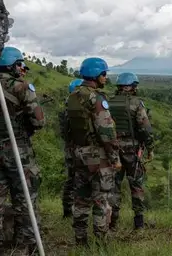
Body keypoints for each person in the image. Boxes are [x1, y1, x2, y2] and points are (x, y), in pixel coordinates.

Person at [0, 46, 45, 256]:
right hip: (19, 151)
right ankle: (25, 244)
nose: (22, 68)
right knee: (25, 198)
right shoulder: (22, 88)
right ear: (13, 65)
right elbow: (39, 122)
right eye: (20, 64)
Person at [66, 57, 120, 246]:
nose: (106, 77)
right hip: (98, 157)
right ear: (96, 75)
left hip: (79, 155)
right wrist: (114, 158)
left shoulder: (72, 97)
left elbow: (67, 130)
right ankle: (101, 244)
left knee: (80, 200)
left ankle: (80, 240)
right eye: (104, 74)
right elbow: (106, 132)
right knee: (101, 201)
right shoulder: (96, 98)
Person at [108, 72, 154, 231]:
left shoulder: (108, 102)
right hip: (132, 150)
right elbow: (145, 129)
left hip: (112, 149)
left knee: (114, 186)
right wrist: (150, 148)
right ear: (133, 86)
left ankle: (112, 223)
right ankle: (139, 224)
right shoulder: (136, 104)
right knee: (136, 185)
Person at [59, 78, 83, 219]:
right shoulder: (78, 110)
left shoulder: (66, 110)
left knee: (71, 180)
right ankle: (78, 212)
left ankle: (68, 210)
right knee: (82, 182)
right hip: (81, 150)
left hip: (70, 150)